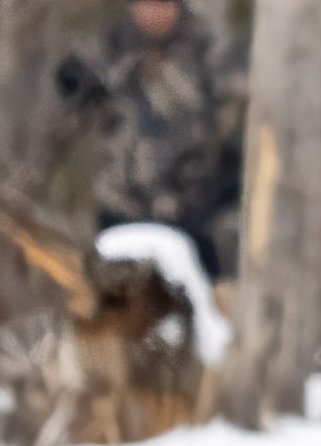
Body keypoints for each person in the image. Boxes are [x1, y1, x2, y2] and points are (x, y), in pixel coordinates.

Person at [57, 0, 231, 277]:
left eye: (163, 4)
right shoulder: (114, 46)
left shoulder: (203, 48)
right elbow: (71, 87)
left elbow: (238, 110)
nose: (154, 12)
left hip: (189, 213)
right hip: (121, 210)